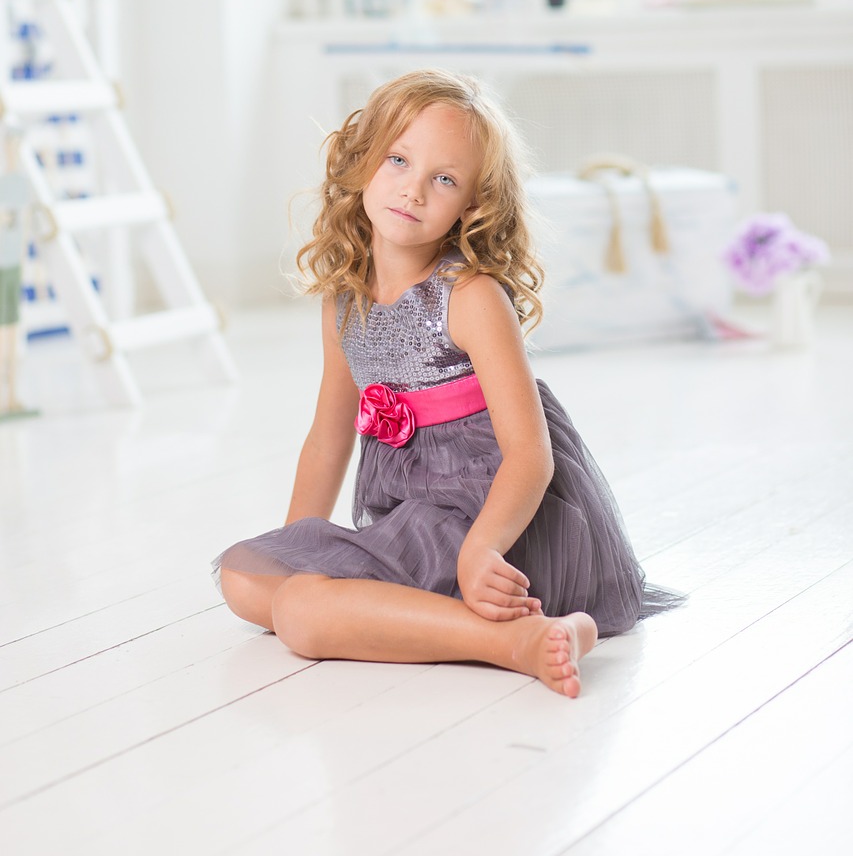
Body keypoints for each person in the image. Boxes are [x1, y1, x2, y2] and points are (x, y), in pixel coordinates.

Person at [215, 70, 678, 697]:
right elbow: (328, 441)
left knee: (299, 613)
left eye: (444, 179)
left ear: (472, 203)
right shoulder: (344, 303)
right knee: (245, 579)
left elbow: (530, 455)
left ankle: (514, 639)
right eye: (398, 160)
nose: (413, 190)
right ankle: (496, 628)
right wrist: (302, 547)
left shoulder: (470, 295)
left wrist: (482, 548)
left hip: (494, 518)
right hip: (415, 510)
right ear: (361, 162)